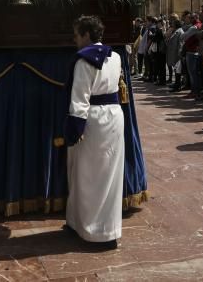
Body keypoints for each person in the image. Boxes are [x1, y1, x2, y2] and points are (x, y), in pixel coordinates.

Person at [65, 15, 124, 248]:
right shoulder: (116, 56)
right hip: (115, 117)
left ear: (87, 35)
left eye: (77, 34)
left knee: (88, 176)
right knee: (109, 176)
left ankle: (94, 232)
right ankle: (93, 225)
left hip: (93, 120)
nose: (74, 39)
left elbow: (79, 100)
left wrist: (74, 129)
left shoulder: (83, 61)